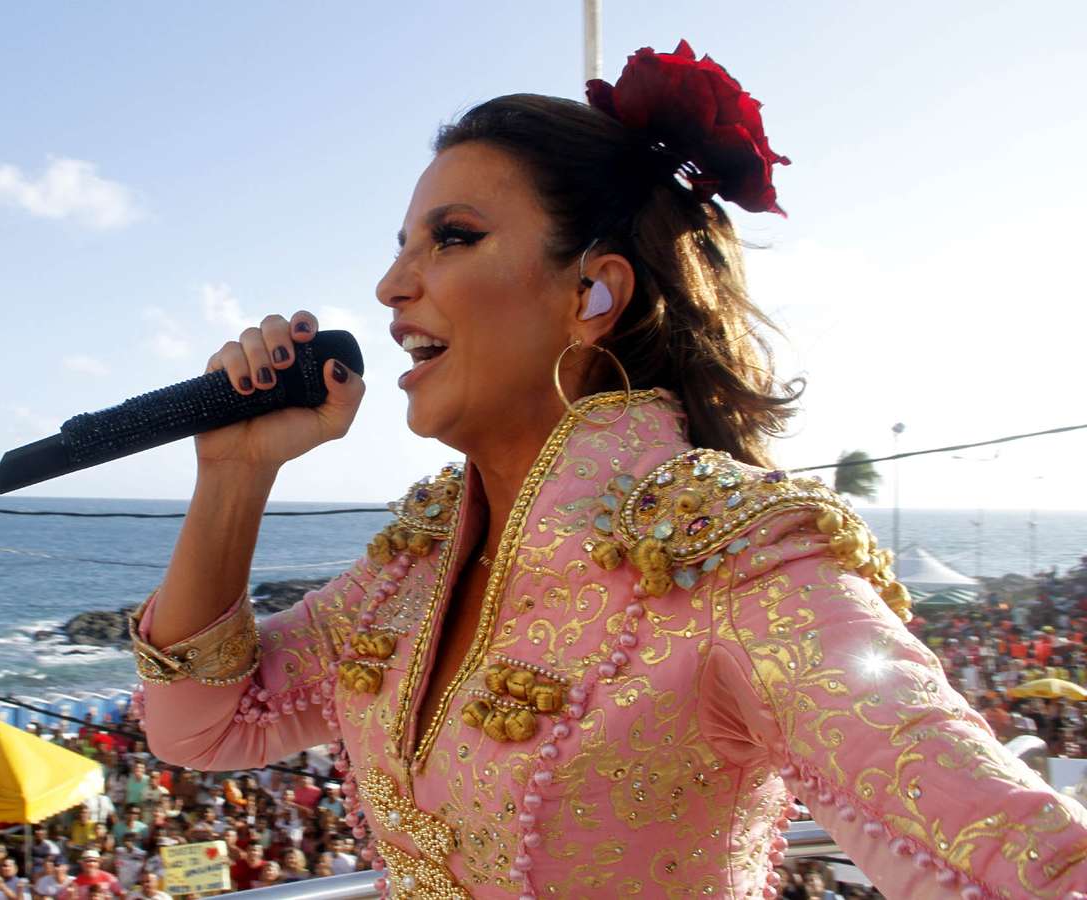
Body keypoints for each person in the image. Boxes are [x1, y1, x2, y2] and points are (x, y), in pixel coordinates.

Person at [131, 37, 1087, 899]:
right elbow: (202, 725)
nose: (391, 286)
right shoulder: (410, 568)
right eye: (402, 248)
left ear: (593, 291)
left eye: (453, 237)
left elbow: (1014, 853)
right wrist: (235, 473)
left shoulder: (736, 564)